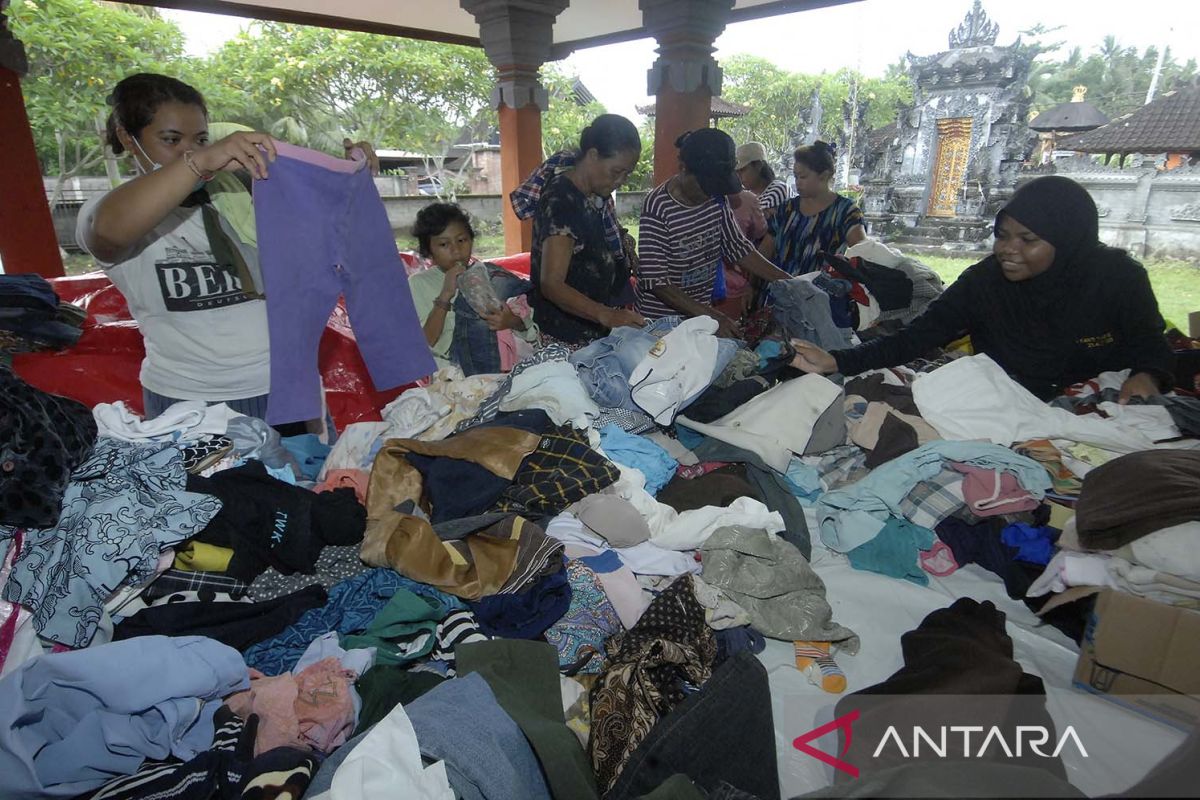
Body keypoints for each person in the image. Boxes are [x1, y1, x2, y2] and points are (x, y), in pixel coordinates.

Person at [76, 73, 377, 422]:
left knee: (311, 476)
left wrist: (342, 175)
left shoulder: (236, 201)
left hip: (287, 387)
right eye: (171, 139)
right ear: (130, 139)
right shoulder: (112, 211)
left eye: (201, 139)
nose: (189, 150)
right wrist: (200, 162)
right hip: (192, 404)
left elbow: (318, 241)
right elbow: (109, 233)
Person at [790, 175, 1175, 402]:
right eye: (1002, 235)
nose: (1009, 250)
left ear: (1068, 240)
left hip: (1097, 403)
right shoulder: (985, 283)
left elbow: (1151, 345)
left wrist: (1147, 376)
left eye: (1028, 240)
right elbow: (917, 337)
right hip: (1009, 402)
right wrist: (838, 360)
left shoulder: (1117, 278)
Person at [636, 128, 793, 338]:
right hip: (660, 324)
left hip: (700, 317)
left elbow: (737, 247)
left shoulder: (716, 198)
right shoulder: (658, 207)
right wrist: (713, 317)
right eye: (706, 187)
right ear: (683, 168)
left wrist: (789, 282)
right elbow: (657, 282)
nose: (710, 194)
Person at [511, 114, 646, 346]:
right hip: (564, 335)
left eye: (627, 174)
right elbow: (552, 284)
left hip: (588, 330)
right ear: (593, 155)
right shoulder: (563, 200)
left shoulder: (594, 196)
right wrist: (606, 314)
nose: (621, 181)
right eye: (616, 172)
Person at [409, 202, 538, 373]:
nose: (456, 251)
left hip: (500, 359)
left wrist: (510, 321)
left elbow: (530, 331)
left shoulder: (488, 276)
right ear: (429, 251)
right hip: (456, 366)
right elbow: (426, 343)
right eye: (444, 245)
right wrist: (446, 294)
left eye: (462, 240)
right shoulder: (418, 283)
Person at [759, 141, 866, 276]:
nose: (798, 182)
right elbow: (765, 252)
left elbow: (862, 255)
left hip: (821, 293)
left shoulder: (846, 212)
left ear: (824, 175)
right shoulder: (786, 209)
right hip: (779, 289)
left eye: (803, 177)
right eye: (796, 176)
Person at [735, 141, 793, 211]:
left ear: (758, 165)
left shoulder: (778, 190)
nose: (739, 176)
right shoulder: (746, 195)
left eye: (742, 170)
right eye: (736, 172)